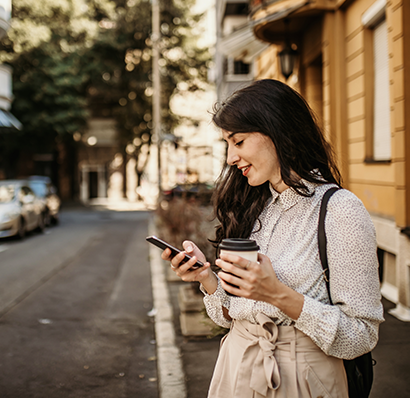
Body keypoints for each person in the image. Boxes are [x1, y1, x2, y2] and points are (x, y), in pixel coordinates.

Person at [161, 79, 384, 398]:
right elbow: (232, 315)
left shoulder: (340, 210)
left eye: (238, 142)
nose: (229, 158)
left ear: (277, 132)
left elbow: (360, 336)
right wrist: (206, 278)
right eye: (227, 144)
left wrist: (278, 295)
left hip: (301, 380)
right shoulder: (254, 205)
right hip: (235, 368)